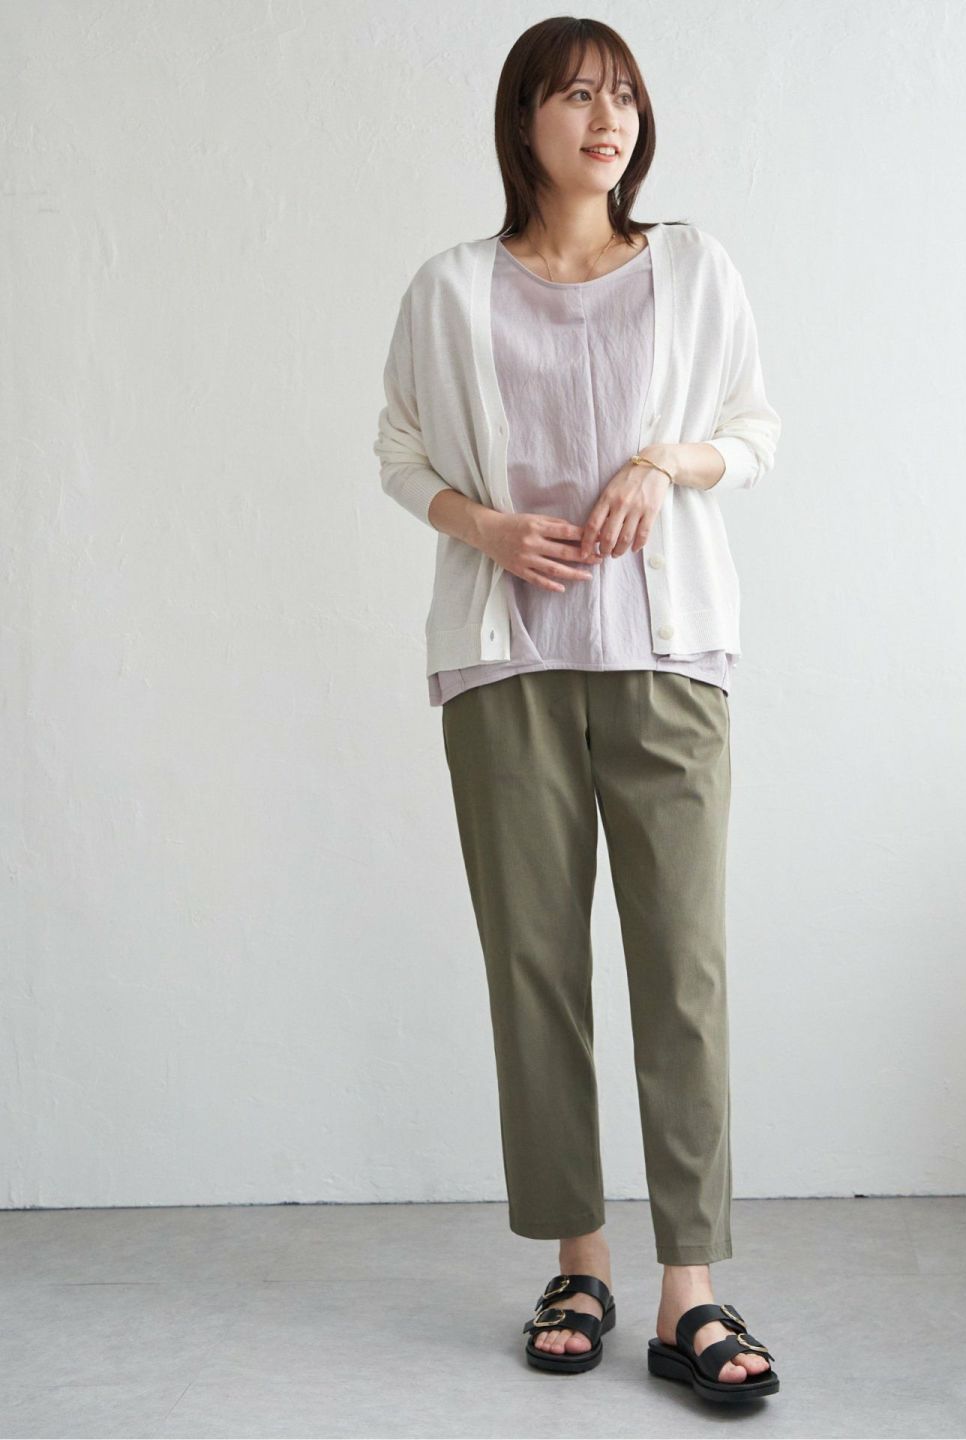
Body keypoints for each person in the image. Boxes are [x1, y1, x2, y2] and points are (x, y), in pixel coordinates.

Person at [375, 17, 782, 1405]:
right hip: (508, 667)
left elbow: (755, 431)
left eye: (623, 97)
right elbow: (398, 450)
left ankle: (691, 1292)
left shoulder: (695, 270)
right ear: (524, 121)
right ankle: (579, 1260)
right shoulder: (450, 289)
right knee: (536, 968)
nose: (606, 119)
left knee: (683, 972)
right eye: (574, 96)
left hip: (669, 660)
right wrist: (484, 526)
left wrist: (668, 464)